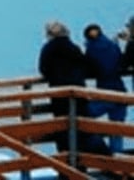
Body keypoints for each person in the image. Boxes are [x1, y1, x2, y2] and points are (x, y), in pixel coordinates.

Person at [37, 19, 106, 155]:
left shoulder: (48, 49)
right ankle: (107, 161)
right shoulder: (73, 48)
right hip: (78, 94)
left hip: (59, 97)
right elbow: (90, 66)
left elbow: (43, 69)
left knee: (63, 131)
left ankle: (68, 167)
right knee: (85, 129)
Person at [84, 23, 127, 154]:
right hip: (120, 93)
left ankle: (102, 152)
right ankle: (118, 162)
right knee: (117, 131)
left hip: (105, 92)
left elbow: (90, 68)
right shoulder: (113, 45)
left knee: (81, 118)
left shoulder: (91, 49)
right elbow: (121, 62)